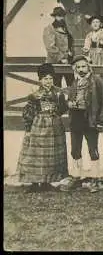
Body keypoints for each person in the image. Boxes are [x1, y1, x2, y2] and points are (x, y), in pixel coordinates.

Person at [17, 63, 69, 192]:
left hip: (55, 127)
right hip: (38, 126)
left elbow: (63, 109)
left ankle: (47, 182)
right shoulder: (35, 94)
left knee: (51, 155)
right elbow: (28, 112)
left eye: (50, 78)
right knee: (36, 154)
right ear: (40, 80)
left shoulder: (58, 93)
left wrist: (59, 108)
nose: (48, 81)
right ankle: (34, 183)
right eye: (45, 78)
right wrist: (28, 128)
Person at [63, 55, 103, 193]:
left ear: (88, 67)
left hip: (91, 120)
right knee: (75, 149)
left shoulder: (97, 81)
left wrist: (101, 120)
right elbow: (70, 98)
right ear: (75, 69)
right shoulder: (75, 82)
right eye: (78, 67)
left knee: (92, 149)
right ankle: (77, 177)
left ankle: (95, 179)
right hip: (76, 119)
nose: (81, 69)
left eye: (83, 66)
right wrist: (69, 103)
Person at [42, 4, 75, 88]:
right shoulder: (49, 29)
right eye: (59, 16)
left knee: (72, 85)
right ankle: (58, 101)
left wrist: (71, 52)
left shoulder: (66, 28)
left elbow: (70, 43)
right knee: (56, 86)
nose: (61, 18)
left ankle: (71, 101)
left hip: (68, 62)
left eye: (63, 16)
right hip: (55, 62)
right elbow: (50, 47)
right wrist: (62, 58)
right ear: (55, 17)